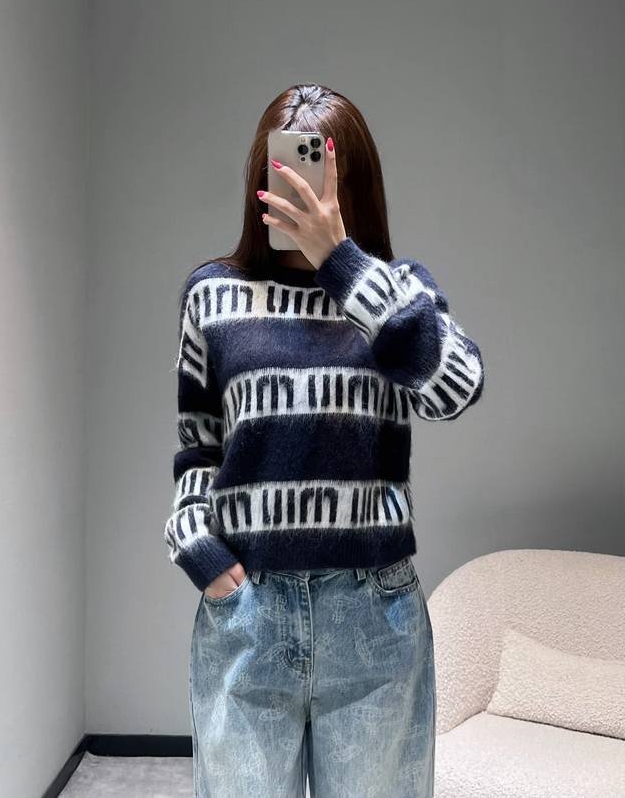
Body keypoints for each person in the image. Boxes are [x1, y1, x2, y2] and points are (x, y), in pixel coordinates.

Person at [164, 83, 485, 798]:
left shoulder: (398, 293)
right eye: (286, 170)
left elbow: (457, 388)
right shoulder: (213, 294)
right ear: (262, 179)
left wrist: (342, 262)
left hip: (373, 615)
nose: (303, 191)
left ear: (354, 185)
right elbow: (199, 444)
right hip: (248, 614)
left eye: (320, 174)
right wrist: (195, 542)